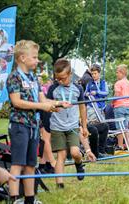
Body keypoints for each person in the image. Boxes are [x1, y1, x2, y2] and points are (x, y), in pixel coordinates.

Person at [6, 40, 65, 204]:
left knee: (31, 164)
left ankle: (30, 200)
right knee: (18, 163)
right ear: (23, 58)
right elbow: (17, 102)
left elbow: (43, 99)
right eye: (34, 57)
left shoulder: (33, 78)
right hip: (19, 126)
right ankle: (14, 199)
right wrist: (42, 106)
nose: (37, 60)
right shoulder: (14, 77)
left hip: (33, 126)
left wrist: (56, 104)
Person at [47, 58, 89, 189]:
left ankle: (79, 164)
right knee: (62, 155)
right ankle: (59, 183)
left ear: (70, 74)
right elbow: (47, 104)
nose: (60, 81)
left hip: (72, 126)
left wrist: (84, 126)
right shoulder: (53, 88)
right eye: (58, 78)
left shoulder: (78, 88)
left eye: (63, 78)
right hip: (57, 126)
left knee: (75, 152)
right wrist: (53, 106)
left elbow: (82, 107)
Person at [112, 64, 129, 150]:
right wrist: (128, 103)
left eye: (117, 73)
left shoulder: (118, 83)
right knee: (126, 127)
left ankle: (120, 146)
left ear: (122, 73)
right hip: (128, 107)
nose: (116, 74)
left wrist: (112, 102)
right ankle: (128, 146)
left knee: (119, 127)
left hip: (119, 106)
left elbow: (117, 94)